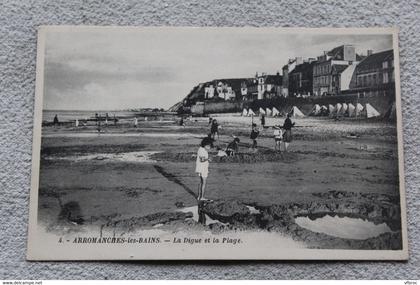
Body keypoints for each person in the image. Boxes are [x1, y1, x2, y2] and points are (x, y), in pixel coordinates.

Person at [195, 137, 213, 201]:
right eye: (209, 146)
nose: (209, 148)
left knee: (201, 182)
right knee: (204, 183)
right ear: (206, 145)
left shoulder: (200, 149)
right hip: (203, 168)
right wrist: (208, 159)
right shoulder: (202, 150)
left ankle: (199, 196)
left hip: (200, 168)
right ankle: (202, 197)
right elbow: (202, 159)